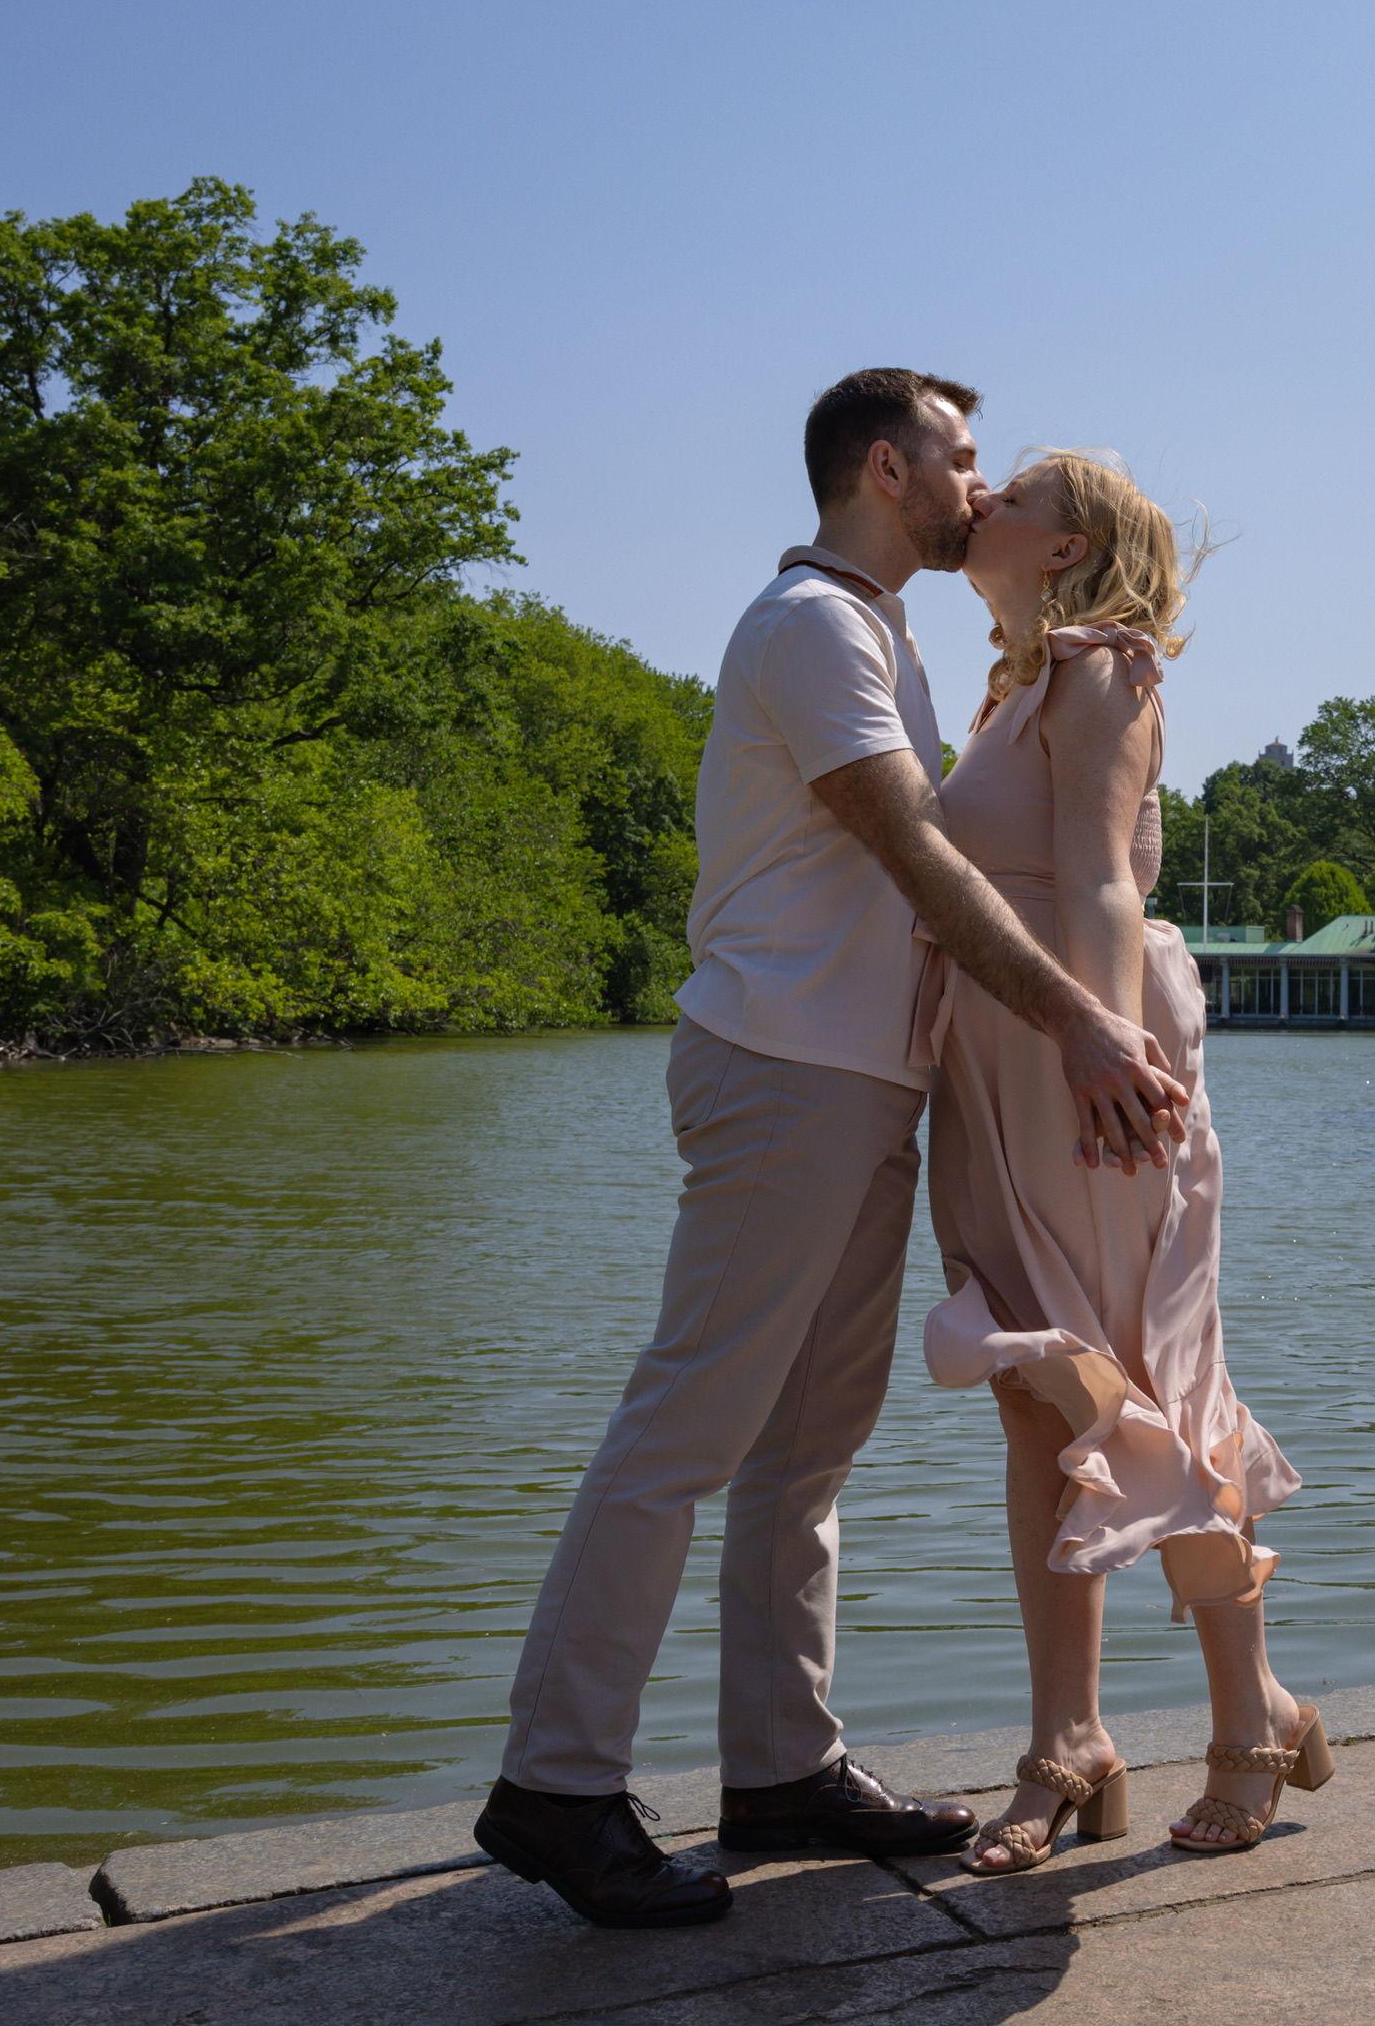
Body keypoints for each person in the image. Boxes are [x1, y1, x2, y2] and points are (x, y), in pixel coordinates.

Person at [474, 374, 1194, 1929]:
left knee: (806, 1452)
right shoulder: (808, 626)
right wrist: (1082, 1024)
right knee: (685, 1432)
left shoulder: (890, 635)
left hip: (868, 1083)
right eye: (960, 457)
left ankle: (781, 1766)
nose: (977, 483)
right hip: (785, 1070)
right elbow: (914, 848)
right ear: (889, 466)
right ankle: (557, 1781)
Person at [919, 451, 1327, 1877]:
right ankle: (1071, 1741)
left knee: (1151, 1387)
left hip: (1087, 1062)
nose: (984, 504)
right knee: (1043, 1400)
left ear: (1068, 540)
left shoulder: (1105, 668)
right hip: (996, 1065)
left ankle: (1246, 1723)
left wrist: (1099, 1056)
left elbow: (1098, 875)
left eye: (1012, 488)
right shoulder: (1008, 688)